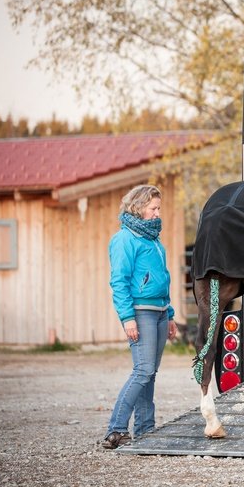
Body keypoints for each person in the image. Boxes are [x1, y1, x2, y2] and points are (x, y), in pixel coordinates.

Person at [102, 184, 177, 449]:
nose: (158, 213)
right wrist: (127, 318)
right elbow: (119, 282)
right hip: (140, 312)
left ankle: (146, 429)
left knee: (150, 373)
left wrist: (169, 314)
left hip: (158, 312)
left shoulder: (155, 241)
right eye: (153, 208)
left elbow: (163, 281)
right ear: (138, 207)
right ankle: (116, 429)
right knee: (142, 370)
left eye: (159, 208)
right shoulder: (124, 239)